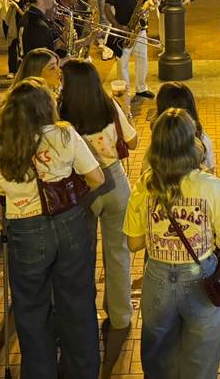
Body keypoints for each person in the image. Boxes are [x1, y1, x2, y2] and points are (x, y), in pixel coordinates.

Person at [0, 78, 104, 378]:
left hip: (25, 227)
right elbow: (97, 178)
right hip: (68, 222)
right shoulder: (64, 134)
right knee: (77, 303)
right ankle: (84, 371)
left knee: (31, 310)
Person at [123, 108, 220, 379]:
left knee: (159, 362)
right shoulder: (210, 186)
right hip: (202, 278)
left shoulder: (144, 185)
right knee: (201, 363)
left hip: (157, 279)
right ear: (192, 142)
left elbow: (134, 242)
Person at [58, 60, 138, 371]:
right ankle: (120, 316)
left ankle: (85, 315)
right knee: (118, 253)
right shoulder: (109, 106)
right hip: (116, 183)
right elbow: (133, 141)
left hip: (82, 188)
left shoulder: (61, 114)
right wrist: (125, 111)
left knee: (84, 256)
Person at [104, 0, 152, 99]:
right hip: (123, 30)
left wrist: (144, 8)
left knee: (142, 59)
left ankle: (141, 88)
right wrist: (117, 26)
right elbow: (107, 9)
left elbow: (146, 1)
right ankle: (124, 91)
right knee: (122, 63)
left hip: (139, 29)